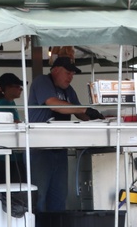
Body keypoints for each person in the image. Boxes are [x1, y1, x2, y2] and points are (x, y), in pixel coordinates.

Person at [26, 56, 104, 212]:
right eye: (68, 72)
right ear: (55, 70)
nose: (71, 77)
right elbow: (53, 104)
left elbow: (78, 111)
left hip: (60, 149)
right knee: (38, 198)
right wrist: (83, 110)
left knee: (59, 198)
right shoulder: (42, 81)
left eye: (73, 74)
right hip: (39, 149)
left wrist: (95, 116)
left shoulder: (69, 90)